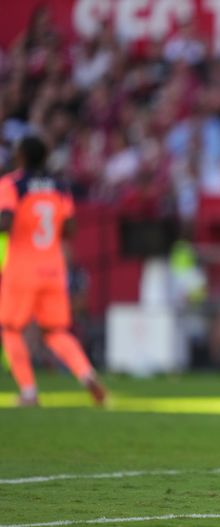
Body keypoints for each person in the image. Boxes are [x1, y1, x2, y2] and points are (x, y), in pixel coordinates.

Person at [0, 136, 106, 407]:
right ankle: (86, 374)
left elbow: (6, 221)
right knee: (56, 331)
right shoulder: (60, 186)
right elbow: (70, 229)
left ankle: (29, 392)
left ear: (21, 156)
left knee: (11, 329)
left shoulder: (11, 184)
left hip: (22, 268)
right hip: (53, 268)